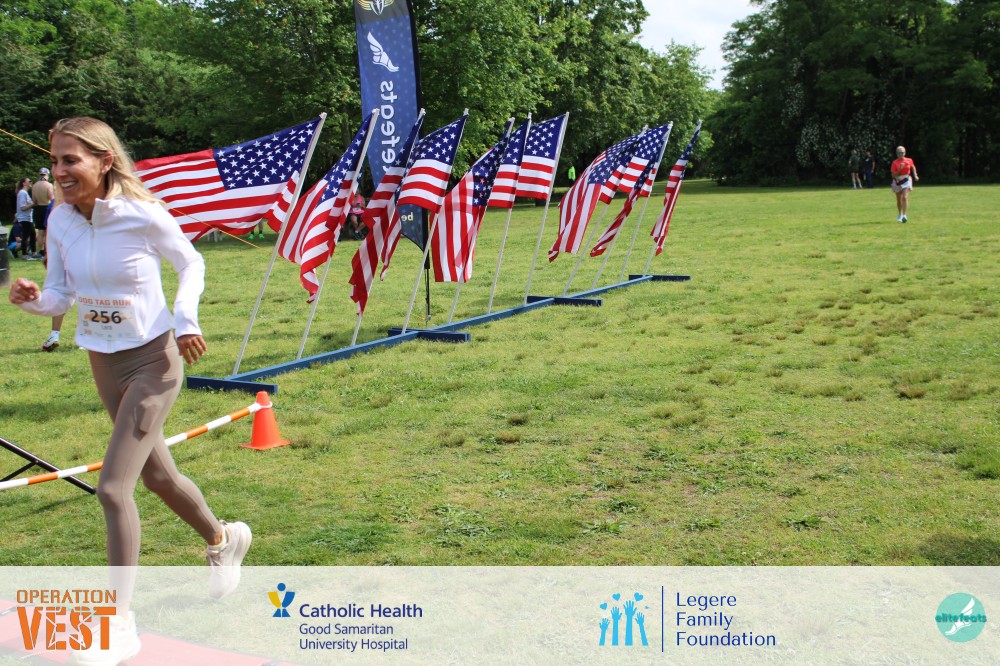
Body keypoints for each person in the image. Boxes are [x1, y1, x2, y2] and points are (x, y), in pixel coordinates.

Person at [8, 117, 251, 666]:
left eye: (71, 160)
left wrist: (186, 320)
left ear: (104, 161)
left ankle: (117, 624)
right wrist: (31, 300)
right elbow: (59, 296)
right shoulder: (61, 219)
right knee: (158, 476)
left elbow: (190, 261)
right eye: (55, 159)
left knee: (113, 489)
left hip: (153, 361)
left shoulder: (141, 214)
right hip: (102, 361)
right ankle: (223, 539)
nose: (59, 171)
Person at [890, 146, 919, 223]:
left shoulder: (909, 160)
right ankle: (900, 214)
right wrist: (900, 169)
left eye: (902, 152)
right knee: (899, 199)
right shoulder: (895, 162)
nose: (901, 154)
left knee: (905, 197)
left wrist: (915, 175)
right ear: (897, 154)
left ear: (905, 153)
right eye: (899, 153)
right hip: (898, 180)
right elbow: (893, 175)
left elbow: (913, 167)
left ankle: (904, 215)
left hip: (906, 179)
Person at [32, 167, 55, 256]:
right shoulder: (48, 185)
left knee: (40, 231)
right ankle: (47, 250)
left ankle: (41, 251)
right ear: (47, 175)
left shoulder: (35, 185)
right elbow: (51, 198)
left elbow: (34, 200)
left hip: (38, 208)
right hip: (46, 207)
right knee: (48, 231)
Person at [15, 177, 38, 259]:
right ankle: (25, 255)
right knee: (26, 236)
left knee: (33, 235)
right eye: (29, 181)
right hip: (24, 218)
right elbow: (23, 207)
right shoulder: (22, 193)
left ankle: (34, 253)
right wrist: (33, 204)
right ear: (24, 183)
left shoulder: (25, 193)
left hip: (28, 218)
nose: (31, 182)